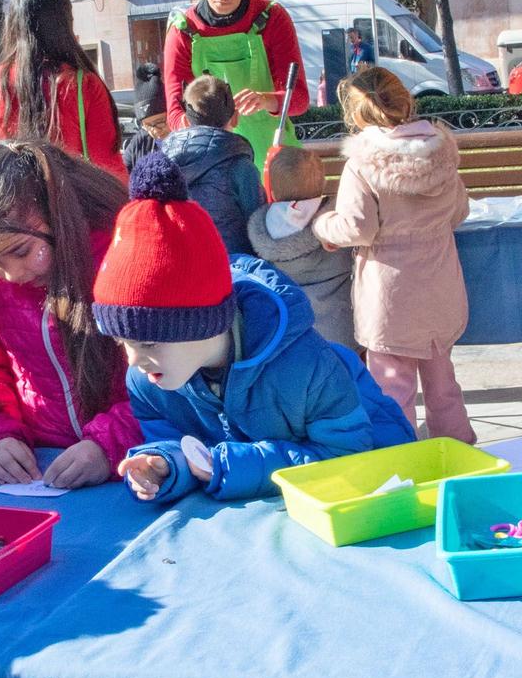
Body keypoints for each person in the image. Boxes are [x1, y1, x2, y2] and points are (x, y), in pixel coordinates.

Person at [94, 150, 413, 505]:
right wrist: (166, 465)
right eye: (123, 341)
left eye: (150, 342)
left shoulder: (305, 368)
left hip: (382, 491)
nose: (134, 359)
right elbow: (174, 439)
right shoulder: (147, 382)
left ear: (202, 323)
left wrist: (233, 466)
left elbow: (346, 457)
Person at [0, 141, 140, 488]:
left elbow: (168, 381)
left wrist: (110, 444)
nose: (12, 274)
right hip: (44, 466)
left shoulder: (122, 254)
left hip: (139, 463)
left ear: (54, 211)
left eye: (21, 251)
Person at [310, 67, 473, 443]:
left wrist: (322, 225)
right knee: (442, 380)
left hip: (390, 294)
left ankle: (400, 455)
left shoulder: (363, 164)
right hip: (441, 285)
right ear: (405, 100)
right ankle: (459, 449)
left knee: (392, 387)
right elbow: (459, 211)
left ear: (355, 114)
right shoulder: (442, 152)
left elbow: (357, 227)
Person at [162, 0, 308, 168]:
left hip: (274, 163)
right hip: (212, 167)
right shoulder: (183, 30)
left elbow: (299, 100)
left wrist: (266, 100)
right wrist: (205, 121)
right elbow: (175, 115)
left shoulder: (272, 18)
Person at [0, 0, 127, 179]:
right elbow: (109, 170)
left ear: (12, 26)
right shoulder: (83, 85)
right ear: (63, 27)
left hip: (4, 207)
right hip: (74, 208)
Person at [246, 144, 354, 349]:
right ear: (321, 185)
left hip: (297, 336)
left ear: (274, 193)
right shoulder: (337, 221)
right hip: (344, 329)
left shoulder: (264, 227)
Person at [164, 75, 265, 255]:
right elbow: (259, 225)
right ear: (235, 118)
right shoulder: (242, 168)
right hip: (235, 269)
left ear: (186, 121)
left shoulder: (162, 168)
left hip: (184, 267)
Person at [119, 61, 168, 169]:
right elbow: (121, 173)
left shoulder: (185, 138)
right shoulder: (139, 142)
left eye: (160, 122)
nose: (155, 130)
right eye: (148, 125)